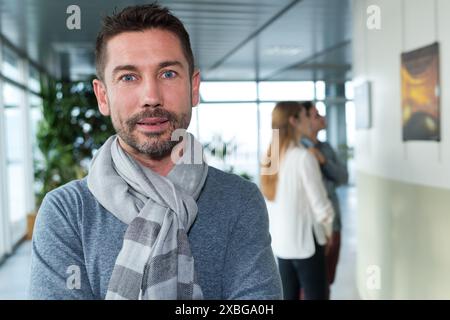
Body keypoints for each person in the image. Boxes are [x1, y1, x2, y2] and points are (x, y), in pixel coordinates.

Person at [29, 3, 282, 300]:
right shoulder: (68, 211)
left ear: (194, 87)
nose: (151, 97)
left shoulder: (240, 201)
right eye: (128, 77)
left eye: (168, 74)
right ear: (102, 96)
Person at [260, 101, 334, 300]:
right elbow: (321, 206)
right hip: (306, 244)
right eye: (305, 117)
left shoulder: (271, 158)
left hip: (282, 245)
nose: (309, 122)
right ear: (294, 121)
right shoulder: (303, 158)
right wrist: (327, 233)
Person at [300, 101, 349, 293]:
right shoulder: (297, 150)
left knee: (327, 279)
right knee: (308, 285)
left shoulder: (326, 148)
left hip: (333, 223)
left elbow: (343, 177)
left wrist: (323, 161)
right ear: (303, 120)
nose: (322, 118)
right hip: (309, 226)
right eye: (315, 115)